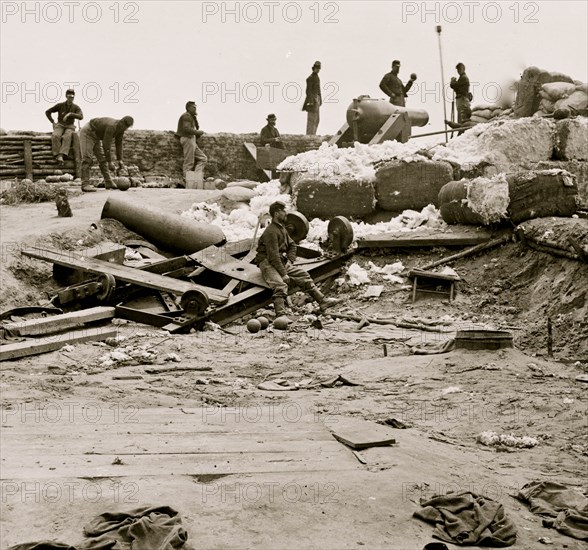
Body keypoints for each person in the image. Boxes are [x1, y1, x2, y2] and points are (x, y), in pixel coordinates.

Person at [256, 201, 342, 318]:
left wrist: (290, 261)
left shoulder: (282, 229)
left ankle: (323, 301)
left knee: (304, 275)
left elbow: (292, 245)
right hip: (267, 263)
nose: (286, 213)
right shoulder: (271, 232)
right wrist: (283, 273)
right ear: (276, 214)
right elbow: (273, 256)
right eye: (283, 211)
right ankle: (281, 315)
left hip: (280, 261)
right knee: (280, 285)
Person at [79, 116, 134, 192]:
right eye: (126, 127)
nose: (126, 129)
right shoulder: (112, 126)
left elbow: (119, 144)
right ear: (122, 123)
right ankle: (85, 184)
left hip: (97, 136)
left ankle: (108, 182)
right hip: (89, 132)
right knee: (87, 158)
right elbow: (106, 144)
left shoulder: (121, 130)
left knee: (102, 159)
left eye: (127, 127)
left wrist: (120, 160)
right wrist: (110, 162)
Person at [45, 89, 83, 164]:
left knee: (67, 137)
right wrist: (53, 122)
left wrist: (70, 114)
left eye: (72, 97)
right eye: (69, 97)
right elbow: (48, 112)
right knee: (55, 136)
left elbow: (81, 116)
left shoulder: (76, 107)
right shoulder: (60, 105)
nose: (70, 99)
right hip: (60, 125)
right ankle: (56, 155)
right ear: (66, 96)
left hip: (70, 126)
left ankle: (61, 155)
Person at [176, 101, 207, 183]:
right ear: (188, 108)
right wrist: (198, 132)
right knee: (189, 161)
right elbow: (186, 129)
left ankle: (196, 178)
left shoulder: (190, 116)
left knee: (203, 158)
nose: (195, 109)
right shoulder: (186, 116)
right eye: (193, 107)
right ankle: (187, 180)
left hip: (191, 139)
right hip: (187, 139)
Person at [302, 61, 322, 135]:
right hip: (312, 101)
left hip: (317, 100)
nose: (317, 69)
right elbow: (308, 91)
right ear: (313, 68)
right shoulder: (310, 78)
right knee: (311, 120)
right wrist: (311, 101)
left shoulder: (317, 77)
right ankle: (309, 135)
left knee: (317, 119)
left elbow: (318, 90)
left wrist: (320, 100)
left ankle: (313, 135)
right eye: (316, 68)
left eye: (318, 68)